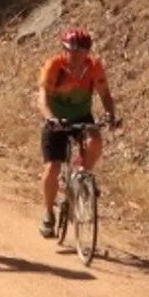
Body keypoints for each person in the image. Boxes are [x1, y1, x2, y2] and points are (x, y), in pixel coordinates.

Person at [38, 27, 118, 237]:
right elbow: (43, 97)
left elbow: (105, 94)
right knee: (52, 168)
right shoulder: (54, 66)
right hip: (56, 118)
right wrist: (50, 118)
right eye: (72, 51)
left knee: (96, 142)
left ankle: (80, 175)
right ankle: (48, 214)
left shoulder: (94, 67)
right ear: (63, 50)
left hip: (82, 116)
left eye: (82, 52)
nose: (76, 56)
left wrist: (110, 114)